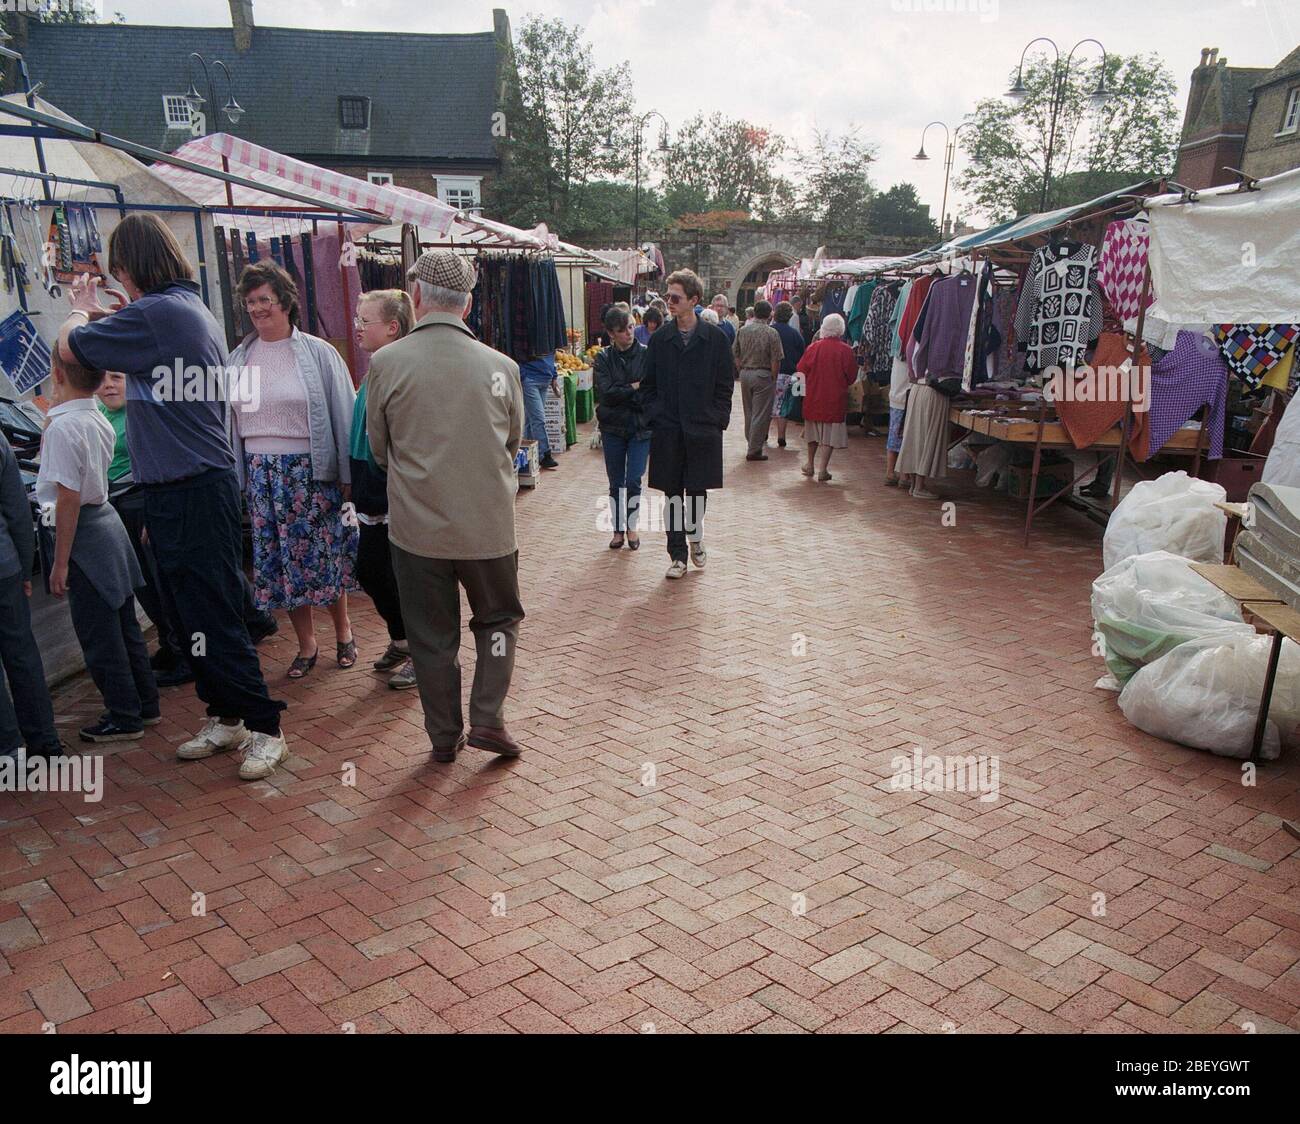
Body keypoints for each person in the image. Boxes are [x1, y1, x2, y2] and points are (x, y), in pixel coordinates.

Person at [58, 213, 287, 781]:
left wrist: (77, 307)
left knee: (215, 613)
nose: (123, 282)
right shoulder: (180, 309)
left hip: (192, 489)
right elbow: (134, 336)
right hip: (178, 488)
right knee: (191, 617)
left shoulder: (161, 314)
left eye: (122, 272)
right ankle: (227, 714)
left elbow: (75, 349)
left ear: (134, 266)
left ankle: (265, 727)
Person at [367, 250, 527, 763]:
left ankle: (442, 735)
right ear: (469, 303)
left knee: (431, 636)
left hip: (417, 530)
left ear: (416, 299)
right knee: (498, 621)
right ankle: (488, 717)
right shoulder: (501, 368)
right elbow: (513, 443)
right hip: (488, 528)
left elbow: (377, 449)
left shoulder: (386, 363)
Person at [98, 372, 277, 690]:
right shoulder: (101, 414)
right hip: (120, 504)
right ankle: (185, 643)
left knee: (164, 585)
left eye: (117, 377)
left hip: (144, 500)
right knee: (151, 584)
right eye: (102, 379)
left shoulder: (143, 415)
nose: (109, 385)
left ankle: (189, 653)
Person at [228, 260, 358, 680]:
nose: (257, 308)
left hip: (310, 473)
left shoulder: (319, 353)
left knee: (324, 557)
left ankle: (343, 631)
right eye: (250, 301)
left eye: (265, 299)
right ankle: (306, 644)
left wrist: (347, 475)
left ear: (284, 301)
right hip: (261, 474)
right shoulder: (238, 358)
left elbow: (344, 413)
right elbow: (227, 422)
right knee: (282, 565)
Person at [36, 351, 159, 742]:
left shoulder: (64, 426)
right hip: (106, 522)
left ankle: (124, 716)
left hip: (84, 530)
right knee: (124, 627)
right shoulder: (94, 414)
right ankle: (144, 704)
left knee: (98, 635)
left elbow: (67, 497)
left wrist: (59, 563)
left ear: (57, 375)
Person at [639, 268, 734, 580]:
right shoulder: (660, 340)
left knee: (696, 492)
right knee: (672, 494)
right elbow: (648, 383)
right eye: (668, 296)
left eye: (676, 297)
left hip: (702, 428)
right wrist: (654, 414)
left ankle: (695, 536)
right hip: (668, 429)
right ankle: (677, 555)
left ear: (694, 300)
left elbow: (724, 384)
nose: (670, 302)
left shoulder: (716, 340)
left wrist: (718, 417)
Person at [352, 290, 417, 690]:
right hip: (368, 486)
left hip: (394, 487)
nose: (357, 328)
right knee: (371, 570)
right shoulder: (374, 368)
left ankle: (422, 653)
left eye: (365, 321)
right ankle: (403, 640)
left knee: (404, 577)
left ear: (392, 327)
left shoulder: (400, 369)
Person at [0, 434, 64, 759]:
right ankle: (45, 742)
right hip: (6, 566)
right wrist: (25, 568)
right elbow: (17, 511)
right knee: (22, 653)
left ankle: (8, 751)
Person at [594, 306, 650, 550]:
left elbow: (648, 391)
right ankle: (618, 529)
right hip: (613, 427)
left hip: (640, 426)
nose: (629, 333)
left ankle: (632, 525)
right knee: (615, 481)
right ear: (611, 334)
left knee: (634, 479)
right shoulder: (604, 358)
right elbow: (605, 394)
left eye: (630, 326)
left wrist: (626, 390)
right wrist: (633, 388)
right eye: (622, 330)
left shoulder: (647, 354)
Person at [796, 313, 859, 482]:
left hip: (813, 397)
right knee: (829, 435)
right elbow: (852, 376)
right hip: (834, 398)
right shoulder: (846, 350)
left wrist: (799, 394)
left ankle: (809, 464)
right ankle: (823, 468)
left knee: (812, 432)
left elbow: (800, 371)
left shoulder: (813, 348)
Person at [733, 299, 784, 461]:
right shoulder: (771, 333)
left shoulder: (743, 330)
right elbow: (776, 359)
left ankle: (751, 441)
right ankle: (754, 449)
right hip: (763, 374)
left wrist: (741, 370)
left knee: (749, 411)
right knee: (761, 413)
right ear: (769, 314)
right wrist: (773, 377)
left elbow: (736, 353)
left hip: (746, 373)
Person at [772, 301, 806, 449]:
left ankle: (764, 434)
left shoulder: (770, 330)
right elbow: (802, 355)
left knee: (767, 405)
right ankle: (781, 436)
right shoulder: (795, 334)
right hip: (790, 374)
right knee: (784, 407)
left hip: (771, 373)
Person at [520, 352, 560, 470]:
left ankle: (530, 455)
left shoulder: (549, 336)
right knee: (538, 419)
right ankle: (545, 454)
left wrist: (553, 376)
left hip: (544, 379)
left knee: (531, 419)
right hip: (530, 379)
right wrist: (523, 375)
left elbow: (552, 353)